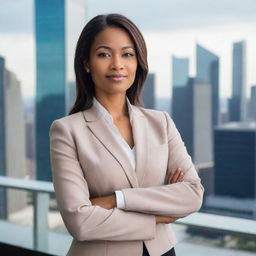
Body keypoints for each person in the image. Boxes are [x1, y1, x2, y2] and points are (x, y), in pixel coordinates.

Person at [50, 13, 204, 256]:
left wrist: (115, 200)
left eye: (127, 54)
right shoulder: (67, 130)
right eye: (104, 54)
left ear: (138, 62)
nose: (117, 64)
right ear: (86, 63)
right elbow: (79, 222)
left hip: (162, 251)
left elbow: (193, 194)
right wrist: (160, 214)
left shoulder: (160, 122)